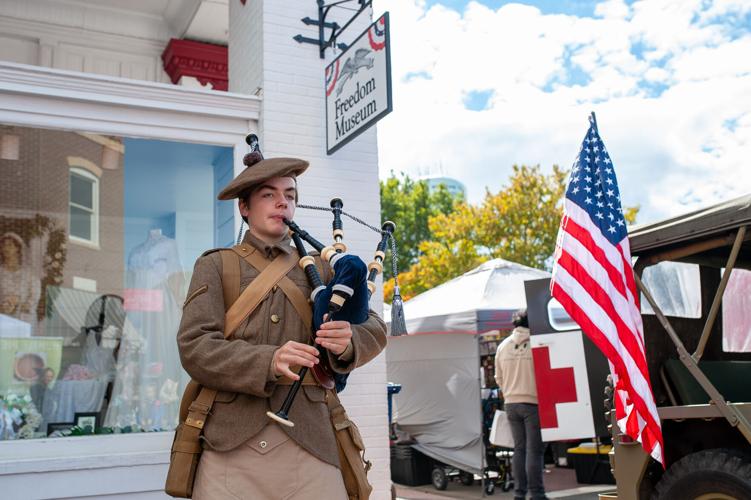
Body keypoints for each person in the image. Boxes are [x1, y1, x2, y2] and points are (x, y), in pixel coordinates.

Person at [177, 143, 387, 499]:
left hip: (313, 441)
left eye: (290, 194)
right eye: (268, 194)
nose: (282, 202)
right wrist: (268, 360)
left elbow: (375, 327)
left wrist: (348, 339)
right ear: (244, 207)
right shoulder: (215, 265)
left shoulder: (324, 267)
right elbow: (195, 347)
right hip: (229, 443)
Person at [494, 308, 548, 500]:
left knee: (519, 449)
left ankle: (519, 493)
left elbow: (498, 378)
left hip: (510, 403)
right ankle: (537, 494)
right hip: (532, 403)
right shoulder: (538, 343)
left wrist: (509, 392)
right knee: (534, 450)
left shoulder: (502, 346)